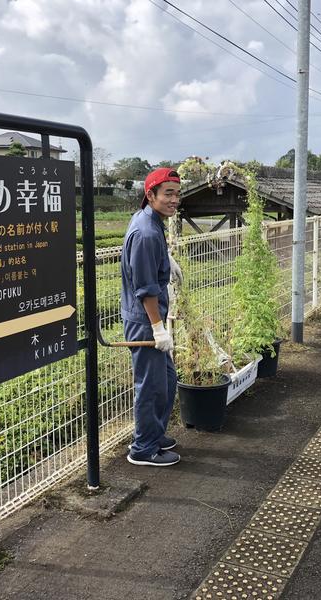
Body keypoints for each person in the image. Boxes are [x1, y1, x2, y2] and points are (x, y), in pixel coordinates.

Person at [120, 167, 184, 467]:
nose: (174, 200)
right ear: (151, 195)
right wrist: (158, 329)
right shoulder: (146, 233)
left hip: (149, 318)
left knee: (166, 381)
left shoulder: (151, 222)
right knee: (151, 386)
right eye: (168, 193)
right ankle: (143, 449)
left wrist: (165, 257)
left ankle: (153, 434)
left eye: (177, 194)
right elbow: (145, 289)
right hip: (145, 321)